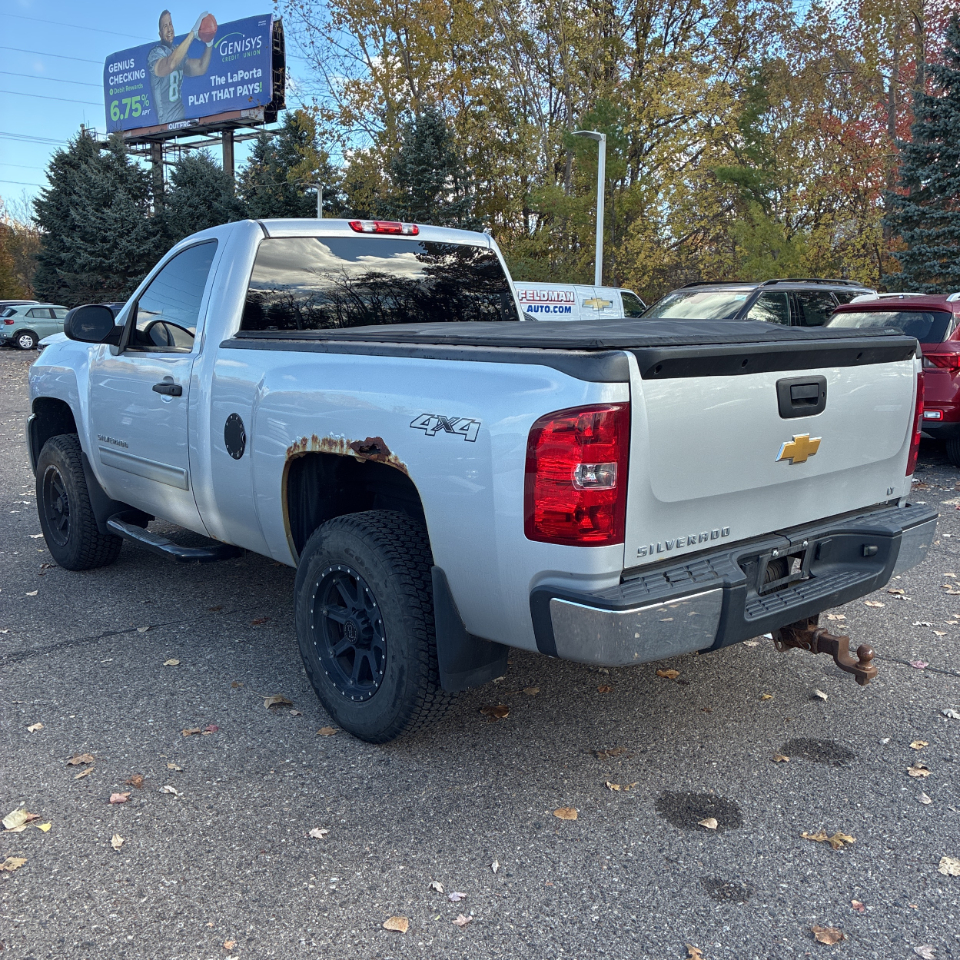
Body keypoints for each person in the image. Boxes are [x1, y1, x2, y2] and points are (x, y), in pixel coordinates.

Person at [148, 10, 216, 124]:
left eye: (170, 24)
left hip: (181, 119)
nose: (169, 29)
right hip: (165, 123)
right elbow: (170, 64)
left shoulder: (177, 51)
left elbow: (201, 67)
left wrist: (209, 43)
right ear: (160, 34)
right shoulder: (155, 54)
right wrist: (192, 34)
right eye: (165, 26)